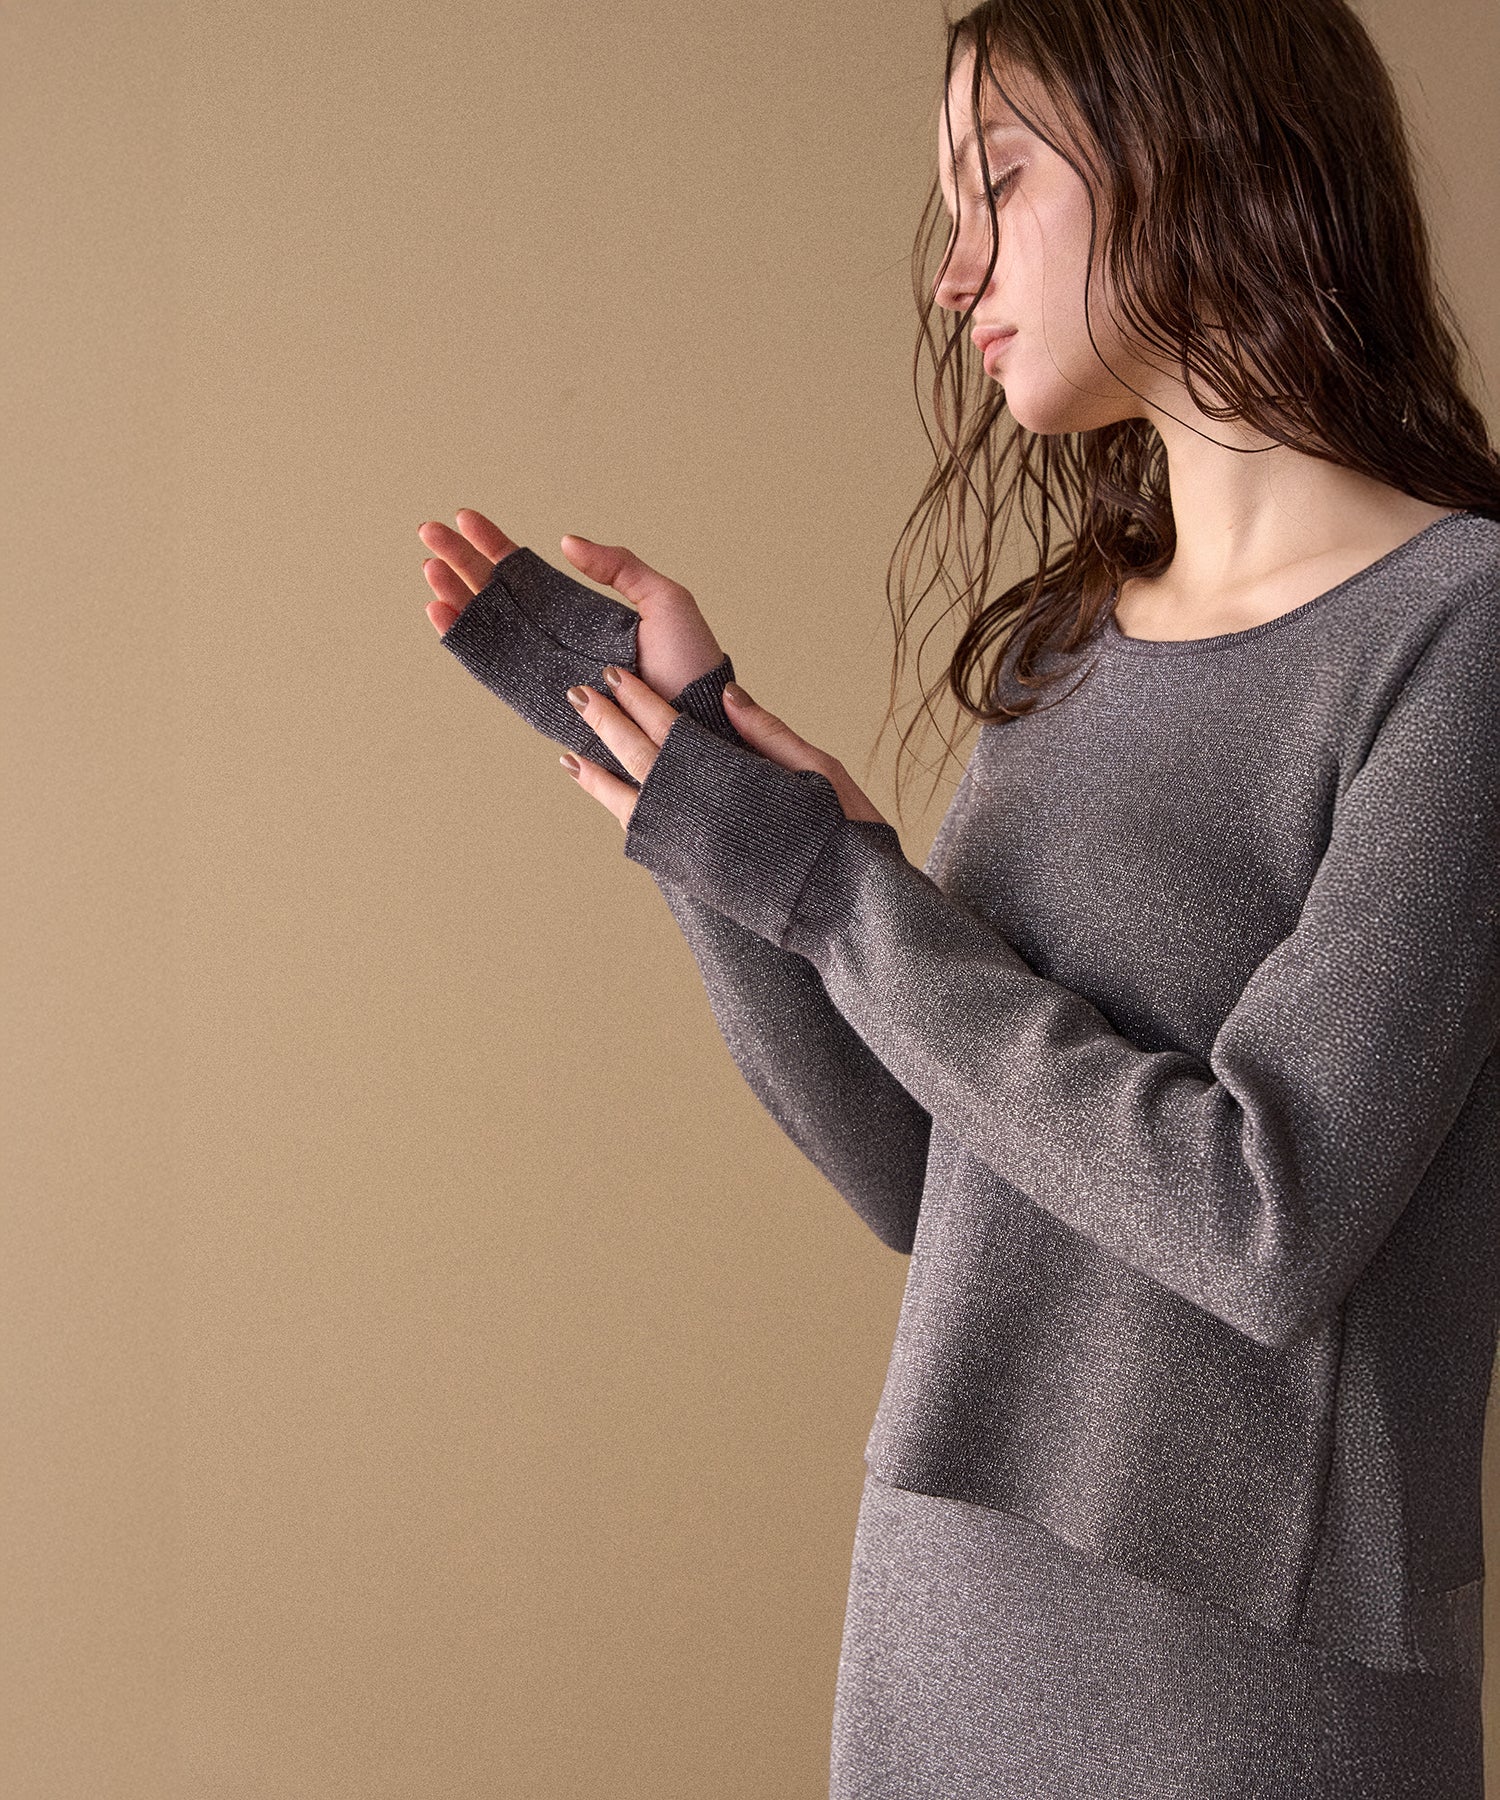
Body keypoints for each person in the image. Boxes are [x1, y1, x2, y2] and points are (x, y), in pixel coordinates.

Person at [417, 0, 1500, 1792]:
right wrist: (711, 815)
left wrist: (835, 893)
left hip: (1254, 1699)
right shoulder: (1073, 654)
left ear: (1198, 144)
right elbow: (935, 1182)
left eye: (999, 182)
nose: (953, 274)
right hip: (945, 1638)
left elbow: (1265, 1217)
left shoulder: (1461, 631)